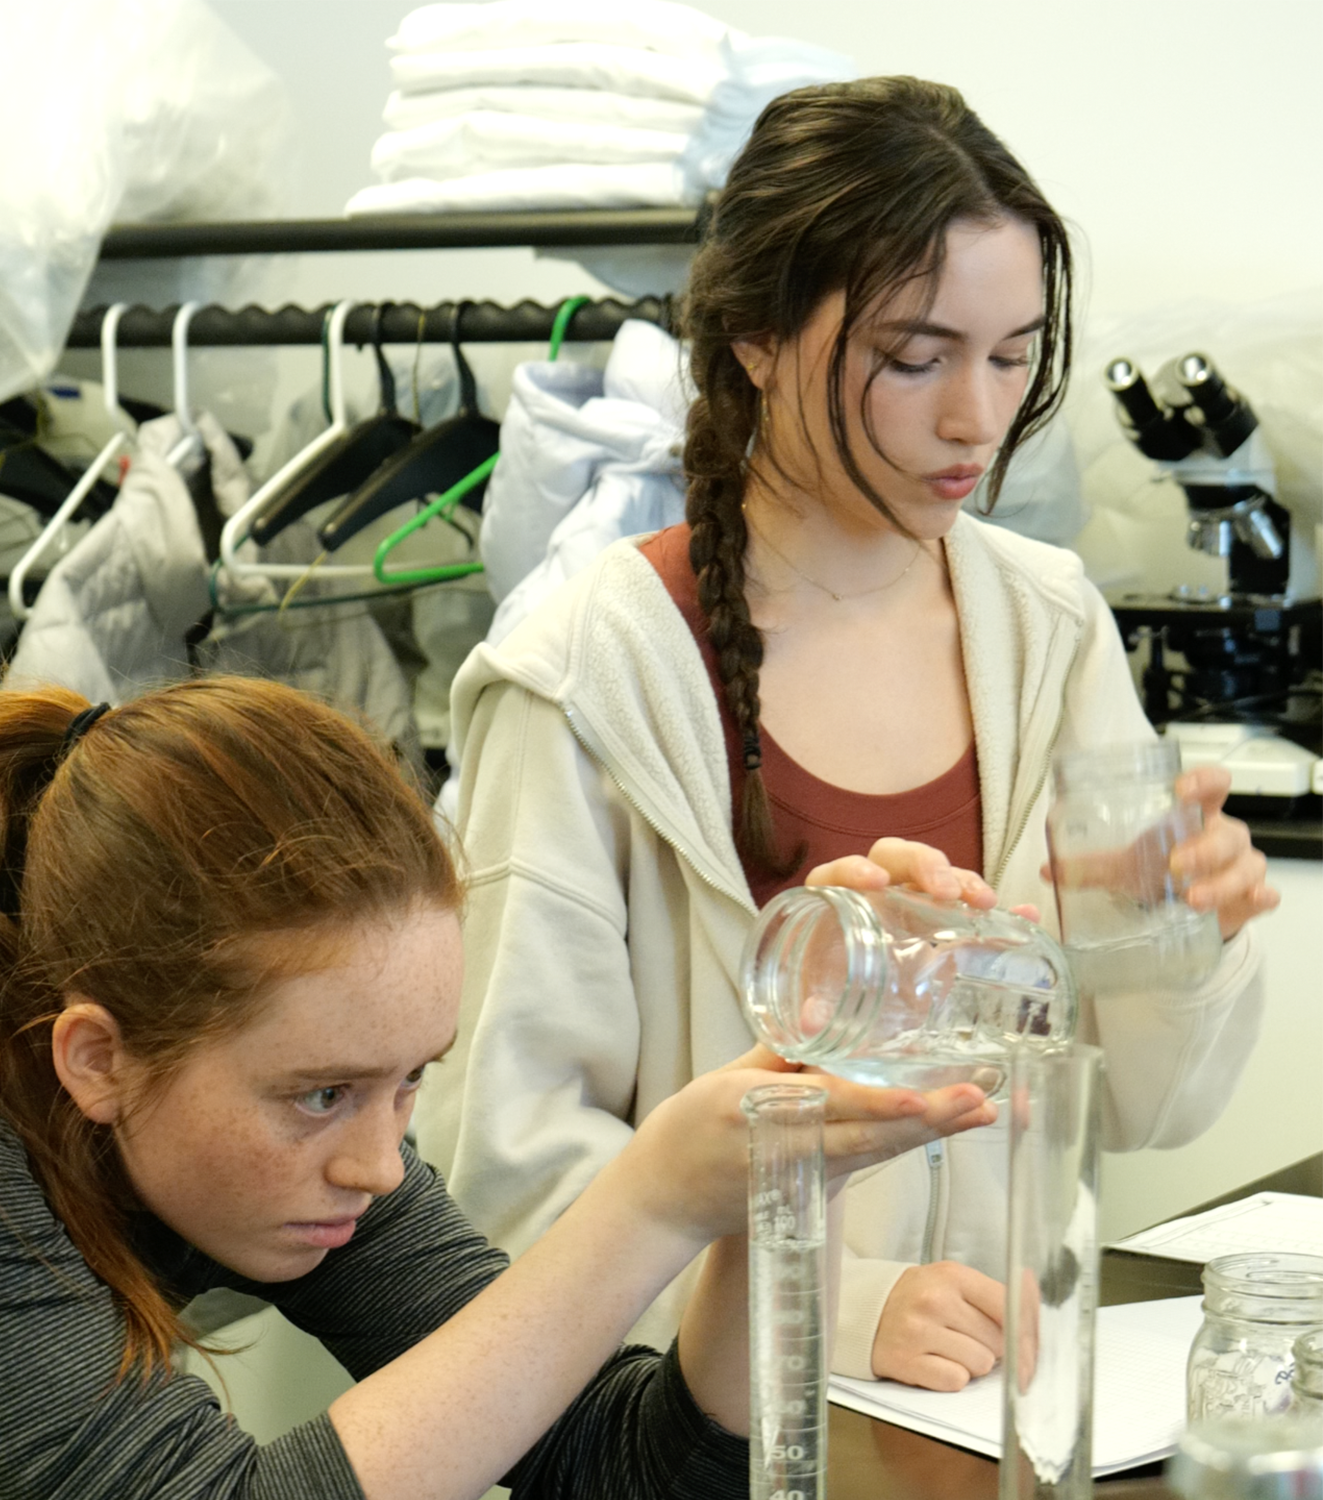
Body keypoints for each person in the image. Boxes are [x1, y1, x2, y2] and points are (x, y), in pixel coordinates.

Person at [414, 77, 1277, 1393]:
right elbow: (505, 1173)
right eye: (917, 358)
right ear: (757, 337)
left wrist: (1178, 945)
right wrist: (833, 1307)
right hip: (694, 1442)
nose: (975, 420)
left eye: (1012, 354)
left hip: (995, 1412)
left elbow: (1142, 1109)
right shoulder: (587, 672)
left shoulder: (1049, 628)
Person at [0, 676, 993, 1500]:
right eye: (321, 1095)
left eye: (409, 1083)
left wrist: (788, 1141)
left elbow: (618, 1471)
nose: (380, 1167)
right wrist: (651, 1204)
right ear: (97, 1060)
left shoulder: (327, 1137)